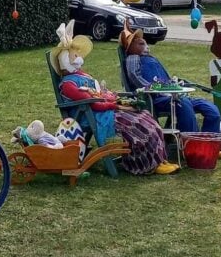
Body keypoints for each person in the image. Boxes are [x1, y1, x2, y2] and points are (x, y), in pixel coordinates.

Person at [51, 20, 179, 175]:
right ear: (65, 61)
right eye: (74, 56)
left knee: (145, 116)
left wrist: (114, 98)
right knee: (138, 124)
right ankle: (146, 164)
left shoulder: (82, 76)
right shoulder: (68, 84)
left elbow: (99, 94)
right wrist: (117, 106)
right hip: (92, 115)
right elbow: (94, 102)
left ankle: (160, 159)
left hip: (103, 110)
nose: (79, 59)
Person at [120, 20, 221, 138]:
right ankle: (190, 141)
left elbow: (165, 79)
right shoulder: (133, 58)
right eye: (141, 44)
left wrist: (177, 84)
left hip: (172, 95)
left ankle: (210, 142)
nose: (146, 46)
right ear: (130, 47)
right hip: (156, 99)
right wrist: (151, 88)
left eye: (145, 43)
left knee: (211, 108)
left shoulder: (151, 58)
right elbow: (134, 75)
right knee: (183, 104)